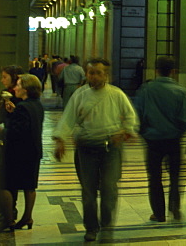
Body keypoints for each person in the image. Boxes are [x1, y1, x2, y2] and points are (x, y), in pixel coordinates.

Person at [53, 58, 138, 242]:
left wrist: (125, 131)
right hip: (86, 148)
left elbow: (130, 117)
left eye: (98, 73)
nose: (94, 76)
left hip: (110, 149)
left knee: (109, 188)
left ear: (106, 75)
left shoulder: (116, 94)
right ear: (87, 74)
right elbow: (68, 118)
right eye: (91, 73)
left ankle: (106, 224)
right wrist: (61, 139)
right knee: (89, 191)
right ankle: (91, 227)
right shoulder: (80, 95)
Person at [133, 56, 186, 222]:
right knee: (175, 176)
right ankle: (174, 207)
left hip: (153, 141)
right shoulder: (181, 91)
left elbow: (138, 114)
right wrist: (178, 132)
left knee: (155, 178)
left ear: (156, 71)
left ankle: (159, 213)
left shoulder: (146, 90)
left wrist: (144, 132)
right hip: (173, 140)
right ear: (173, 71)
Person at [0, 74, 44, 232]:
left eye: (18, 85)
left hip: (19, 153)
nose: (15, 88)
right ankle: (27, 217)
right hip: (33, 151)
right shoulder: (36, 104)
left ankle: (8, 219)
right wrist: (14, 113)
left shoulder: (23, 107)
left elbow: (17, 131)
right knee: (29, 185)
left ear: (26, 89)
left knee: (5, 184)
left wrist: (1, 129)